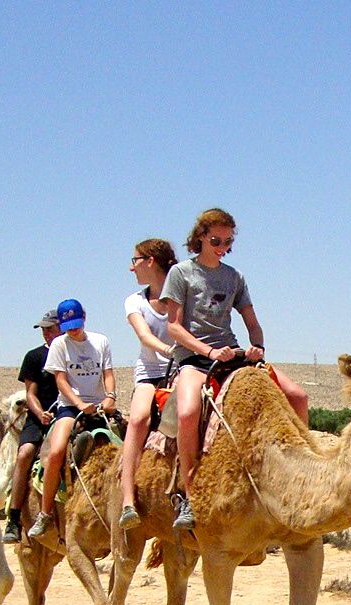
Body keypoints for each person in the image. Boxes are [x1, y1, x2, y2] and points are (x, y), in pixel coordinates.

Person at [161, 207, 308, 529]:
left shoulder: (234, 277)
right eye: (216, 239)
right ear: (200, 236)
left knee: (298, 396)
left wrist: (258, 348)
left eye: (227, 241)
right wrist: (208, 350)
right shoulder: (181, 273)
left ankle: (298, 474)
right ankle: (187, 492)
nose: (222, 247)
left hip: (232, 353)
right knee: (187, 412)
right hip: (195, 357)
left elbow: (252, 323)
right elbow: (174, 327)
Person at [27, 299, 114, 540]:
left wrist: (110, 397)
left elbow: (108, 373)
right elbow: (61, 381)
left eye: (76, 324)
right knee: (56, 452)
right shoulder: (58, 344)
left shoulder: (100, 341)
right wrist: (78, 404)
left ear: (84, 318)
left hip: (99, 407)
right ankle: (45, 513)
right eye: (68, 325)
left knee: (128, 446)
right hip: (70, 407)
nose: (73, 330)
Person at [116, 239, 179, 530]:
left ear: (150, 260)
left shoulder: (183, 294)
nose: (131, 267)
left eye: (135, 260)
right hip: (150, 371)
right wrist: (170, 351)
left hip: (182, 368)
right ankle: (128, 498)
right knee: (139, 417)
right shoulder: (135, 301)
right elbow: (144, 337)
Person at [4, 310, 61, 542]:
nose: (46, 333)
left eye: (50, 328)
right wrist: (40, 412)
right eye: (44, 329)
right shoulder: (34, 357)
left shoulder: (73, 352)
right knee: (25, 453)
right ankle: (14, 517)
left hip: (70, 415)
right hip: (40, 418)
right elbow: (31, 393)